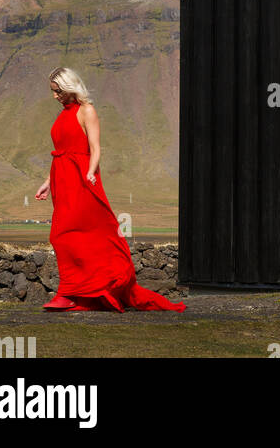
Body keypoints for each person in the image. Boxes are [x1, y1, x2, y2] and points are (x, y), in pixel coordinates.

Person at [35, 67, 185, 312]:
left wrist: (91, 172)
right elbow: (60, 152)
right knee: (62, 235)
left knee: (74, 233)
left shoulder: (87, 111)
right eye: (53, 92)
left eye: (58, 91)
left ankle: (70, 292)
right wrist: (47, 182)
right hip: (61, 179)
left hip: (81, 178)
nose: (55, 96)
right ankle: (76, 291)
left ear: (70, 87)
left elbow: (95, 148)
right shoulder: (63, 115)